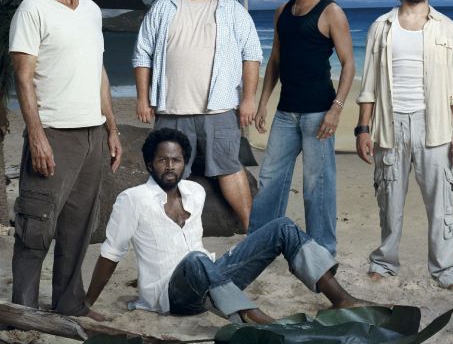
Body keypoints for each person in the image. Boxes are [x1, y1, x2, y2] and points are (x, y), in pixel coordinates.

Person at [84, 129, 367, 324]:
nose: (170, 166)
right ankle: (254, 318)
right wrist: (87, 303)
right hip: (171, 296)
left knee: (281, 226)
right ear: (149, 164)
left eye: (177, 160)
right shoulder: (132, 199)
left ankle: (341, 298)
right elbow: (111, 254)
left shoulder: (195, 191)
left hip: (213, 281)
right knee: (195, 260)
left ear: (184, 163)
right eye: (162, 160)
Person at [8, 0, 121, 319]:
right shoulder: (32, 9)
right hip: (53, 134)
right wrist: (36, 135)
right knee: (36, 227)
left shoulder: (90, 10)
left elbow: (99, 72)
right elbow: (23, 78)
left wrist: (112, 128)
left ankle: (69, 304)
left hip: (91, 134)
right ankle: (23, 311)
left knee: (78, 228)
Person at [355, 0, 453, 288]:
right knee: (389, 201)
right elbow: (369, 85)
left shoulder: (448, 28)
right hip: (390, 126)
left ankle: (445, 269)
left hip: (434, 127)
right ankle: (385, 262)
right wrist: (363, 128)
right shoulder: (381, 28)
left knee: (442, 203)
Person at [133, 0, 262, 230]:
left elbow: (251, 54)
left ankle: (251, 231)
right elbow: (143, 54)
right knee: (167, 172)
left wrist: (249, 99)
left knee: (229, 166)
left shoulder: (230, 7)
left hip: (219, 108)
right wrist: (143, 98)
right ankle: (167, 233)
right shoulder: (164, 7)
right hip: (171, 108)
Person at [249, 0, 354, 256]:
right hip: (285, 113)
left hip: (319, 113)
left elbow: (349, 64)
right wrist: (262, 101)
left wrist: (336, 109)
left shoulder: (331, 12)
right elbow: (275, 60)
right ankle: (259, 246)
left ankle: (323, 250)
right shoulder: (283, 11)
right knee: (269, 179)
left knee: (316, 186)